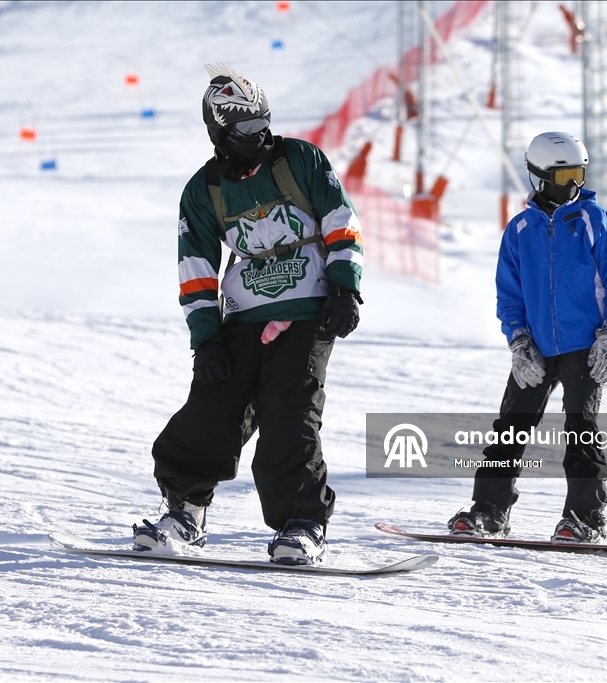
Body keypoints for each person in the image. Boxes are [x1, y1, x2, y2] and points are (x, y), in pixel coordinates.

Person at [134, 64, 364, 565]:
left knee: (289, 412)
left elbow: (340, 220)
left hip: (307, 309)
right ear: (219, 131)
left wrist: (346, 287)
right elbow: (195, 271)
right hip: (243, 315)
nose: (261, 135)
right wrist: (206, 339)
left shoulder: (299, 159)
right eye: (247, 128)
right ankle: (186, 511)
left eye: (264, 122)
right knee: (211, 409)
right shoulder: (203, 190)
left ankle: (302, 523)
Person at [449, 131, 607, 544]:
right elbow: (509, 296)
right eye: (565, 176)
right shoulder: (519, 230)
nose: (574, 185)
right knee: (509, 429)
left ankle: (584, 518)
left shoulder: (594, 221)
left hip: (585, 344)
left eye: (579, 174)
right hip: (536, 346)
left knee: (581, 428)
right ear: (539, 177)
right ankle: (489, 510)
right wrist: (518, 342)